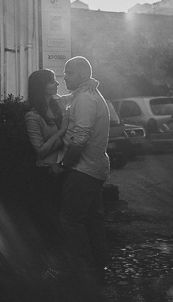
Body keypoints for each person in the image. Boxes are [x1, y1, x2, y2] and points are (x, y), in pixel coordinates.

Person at [57, 56, 111, 284]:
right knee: (92, 220)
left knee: (70, 221)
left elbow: (80, 139)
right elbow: (62, 100)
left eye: (68, 72)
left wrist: (62, 165)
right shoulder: (83, 94)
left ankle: (85, 272)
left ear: (81, 74)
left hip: (83, 170)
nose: (64, 77)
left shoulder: (86, 99)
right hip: (94, 168)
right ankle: (99, 267)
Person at [24, 69, 70, 213]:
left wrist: (91, 83)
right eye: (52, 81)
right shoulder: (32, 116)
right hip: (47, 173)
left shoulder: (58, 104)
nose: (57, 83)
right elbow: (40, 150)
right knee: (50, 214)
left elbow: (79, 95)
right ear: (41, 86)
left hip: (65, 167)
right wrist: (62, 131)